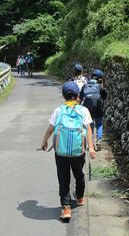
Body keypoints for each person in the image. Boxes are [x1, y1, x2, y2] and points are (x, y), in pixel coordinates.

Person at [40, 81, 96, 221]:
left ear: (63, 95)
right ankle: (80, 197)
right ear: (78, 95)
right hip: (78, 151)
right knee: (79, 174)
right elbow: (89, 129)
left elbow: (51, 128)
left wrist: (44, 141)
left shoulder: (59, 110)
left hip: (61, 151)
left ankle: (66, 208)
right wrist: (91, 148)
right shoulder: (83, 110)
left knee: (63, 178)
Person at [80, 69, 107, 151]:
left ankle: (90, 142)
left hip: (87, 108)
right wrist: (102, 85)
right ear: (100, 78)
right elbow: (105, 97)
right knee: (99, 124)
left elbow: (81, 97)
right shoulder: (100, 86)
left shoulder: (85, 85)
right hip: (98, 107)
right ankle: (98, 140)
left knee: (89, 125)